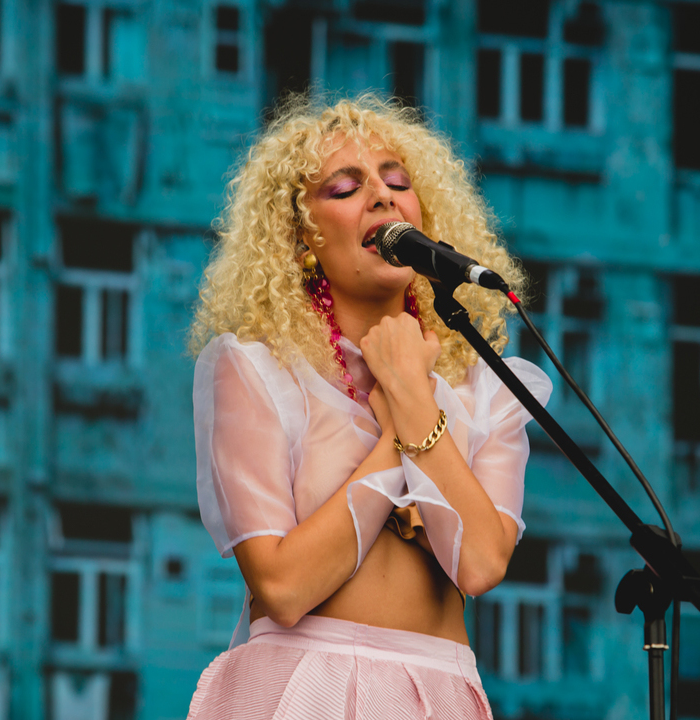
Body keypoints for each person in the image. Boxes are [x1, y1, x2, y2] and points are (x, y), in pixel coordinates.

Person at [185, 94, 552, 719]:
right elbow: (281, 587)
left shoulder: (484, 388)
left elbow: (482, 562)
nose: (382, 197)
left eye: (397, 181)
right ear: (303, 233)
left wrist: (416, 392)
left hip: (440, 693)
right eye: (344, 188)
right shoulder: (256, 369)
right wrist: (400, 422)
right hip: (303, 687)